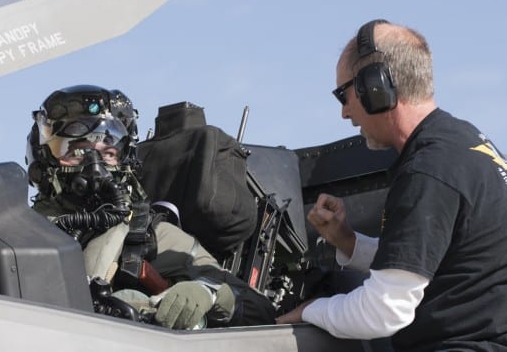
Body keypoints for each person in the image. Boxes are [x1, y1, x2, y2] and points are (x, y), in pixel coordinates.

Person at [276, 19, 507, 351]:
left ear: (376, 88)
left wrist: (310, 311)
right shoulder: (463, 142)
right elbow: (429, 260)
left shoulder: (429, 170)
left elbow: (384, 310)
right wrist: (348, 241)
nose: (344, 113)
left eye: (344, 94)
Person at [25, 84, 275, 329]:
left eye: (109, 153)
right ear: (44, 157)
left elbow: (259, 309)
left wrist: (207, 293)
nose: (96, 165)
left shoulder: (146, 234)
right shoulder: (13, 232)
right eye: (78, 151)